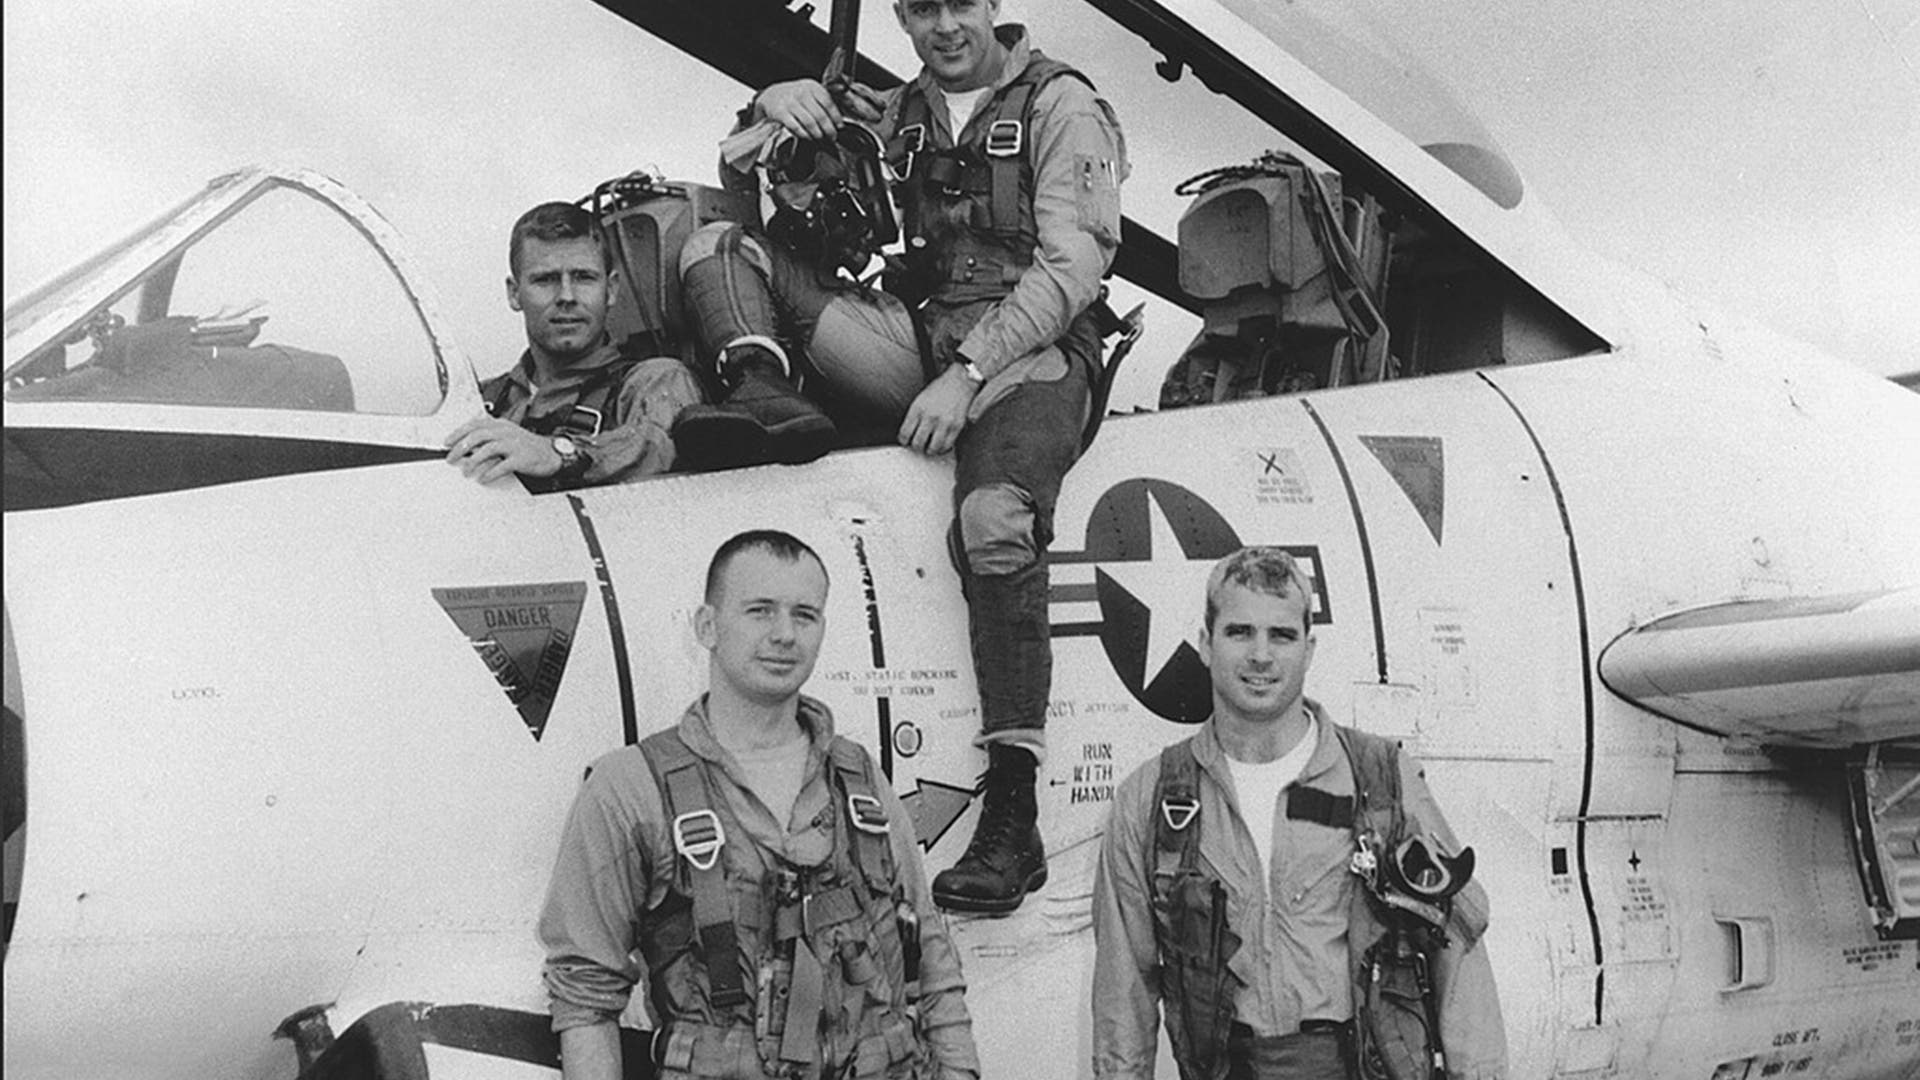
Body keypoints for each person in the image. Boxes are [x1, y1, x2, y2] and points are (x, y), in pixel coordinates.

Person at [672, 0, 1128, 914]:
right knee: (718, 246)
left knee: (994, 519)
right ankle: (765, 393)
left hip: (1030, 353)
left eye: (959, 3)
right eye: (921, 9)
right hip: (921, 341)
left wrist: (966, 374)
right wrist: (776, 97)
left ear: (994, 4)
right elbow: (750, 162)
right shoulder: (905, 109)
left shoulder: (1061, 107)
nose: (943, 27)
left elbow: (1075, 267)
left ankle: (1011, 812)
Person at [537, 529, 979, 1080]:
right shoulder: (633, 788)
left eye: (805, 615)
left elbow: (931, 955)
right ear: (708, 627)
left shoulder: (859, 778)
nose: (784, 635)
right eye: (759, 611)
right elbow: (585, 999)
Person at [1091, 548, 1506, 1080]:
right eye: (1239, 632)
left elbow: (1460, 963)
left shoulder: (1381, 781)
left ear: (1308, 649)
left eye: (1281, 635)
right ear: (1204, 644)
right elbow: (1124, 993)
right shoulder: (1150, 800)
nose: (1260, 655)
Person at [443, 201, 702, 488]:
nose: (567, 296)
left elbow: (659, 445)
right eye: (546, 280)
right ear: (515, 294)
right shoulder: (479, 402)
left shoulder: (653, 380)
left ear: (611, 289)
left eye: (583, 278)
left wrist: (557, 454)